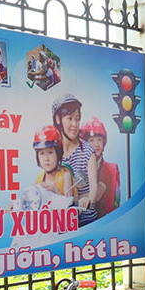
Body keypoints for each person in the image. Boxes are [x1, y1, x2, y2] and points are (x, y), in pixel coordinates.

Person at [52, 94, 98, 226]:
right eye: (69, 119)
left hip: (85, 221)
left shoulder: (87, 150)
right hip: (62, 224)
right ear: (58, 119)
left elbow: (94, 186)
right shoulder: (53, 152)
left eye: (77, 119)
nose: (74, 124)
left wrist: (89, 199)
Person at [81, 117, 121, 217]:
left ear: (104, 142)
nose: (96, 144)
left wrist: (78, 198)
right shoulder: (78, 165)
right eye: (91, 140)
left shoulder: (109, 169)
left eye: (99, 140)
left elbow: (98, 193)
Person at [31, 125, 73, 196]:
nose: (46, 159)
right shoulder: (40, 177)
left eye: (50, 152)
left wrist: (56, 191)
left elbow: (69, 203)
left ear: (58, 153)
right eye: (42, 153)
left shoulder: (65, 176)